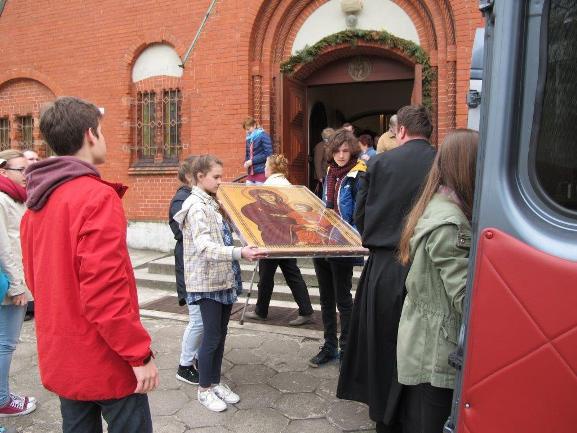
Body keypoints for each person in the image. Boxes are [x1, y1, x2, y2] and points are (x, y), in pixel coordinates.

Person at [21, 97, 158, 433]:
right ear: (90, 135)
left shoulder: (36, 200)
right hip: (105, 358)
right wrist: (138, 355)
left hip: (64, 355)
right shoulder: (96, 197)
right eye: (103, 130)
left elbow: (36, 279)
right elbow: (105, 292)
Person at [337, 105, 436, 433]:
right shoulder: (443, 162)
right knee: (422, 344)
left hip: (384, 266)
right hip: (428, 265)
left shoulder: (378, 163)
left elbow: (361, 218)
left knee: (382, 342)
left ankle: (384, 413)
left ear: (401, 131)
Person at [395, 129, 478, 433]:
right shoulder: (450, 223)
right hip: (436, 348)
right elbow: (468, 298)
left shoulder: (439, 204)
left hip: (425, 340)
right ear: (468, 167)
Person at [173, 155, 266, 412]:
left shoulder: (211, 203)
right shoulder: (196, 206)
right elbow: (204, 247)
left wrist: (246, 245)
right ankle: (204, 390)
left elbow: (226, 234)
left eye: (221, 176)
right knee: (211, 337)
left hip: (221, 278)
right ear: (200, 176)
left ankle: (214, 382)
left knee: (220, 336)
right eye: (216, 177)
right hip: (206, 283)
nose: (220, 181)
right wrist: (239, 253)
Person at [309, 129, 366, 367]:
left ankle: (348, 350)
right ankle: (329, 345)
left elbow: (360, 213)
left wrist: (350, 238)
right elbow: (326, 206)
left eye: (346, 151)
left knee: (343, 299)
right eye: (337, 151)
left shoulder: (358, 174)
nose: (342, 155)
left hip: (342, 243)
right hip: (323, 242)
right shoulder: (331, 172)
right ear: (331, 152)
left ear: (352, 150)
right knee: (325, 297)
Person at [244, 154, 314, 326]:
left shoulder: (269, 186)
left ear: (271, 168)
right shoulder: (287, 184)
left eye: (266, 165)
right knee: (292, 274)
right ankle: (306, 311)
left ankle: (261, 311)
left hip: (271, 239)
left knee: (266, 276)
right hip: (287, 239)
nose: (264, 168)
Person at [0, 151, 36, 417]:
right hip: (9, 286)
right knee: (6, 344)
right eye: (20, 169)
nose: (27, 174)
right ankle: (2, 400)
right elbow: (5, 247)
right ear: (3, 171)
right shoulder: (2, 199)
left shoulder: (16, 197)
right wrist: (17, 286)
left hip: (15, 281)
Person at [169, 156, 204, 386]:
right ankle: (184, 365)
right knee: (198, 320)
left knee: (203, 319)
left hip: (198, 268)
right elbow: (183, 233)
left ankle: (200, 359)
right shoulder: (181, 200)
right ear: (192, 177)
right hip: (189, 269)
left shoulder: (194, 198)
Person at [243, 117, 273, 185]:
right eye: (245, 129)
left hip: (261, 171)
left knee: (259, 194)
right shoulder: (249, 138)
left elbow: (268, 154)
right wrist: (245, 162)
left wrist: (252, 161)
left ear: (254, 126)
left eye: (248, 129)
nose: (247, 131)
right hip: (251, 172)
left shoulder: (263, 136)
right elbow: (247, 154)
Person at [313, 128, 335, 197]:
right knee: (323, 195)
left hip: (330, 174)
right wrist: (320, 177)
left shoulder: (331, 145)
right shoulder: (320, 145)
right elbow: (317, 162)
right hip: (323, 175)